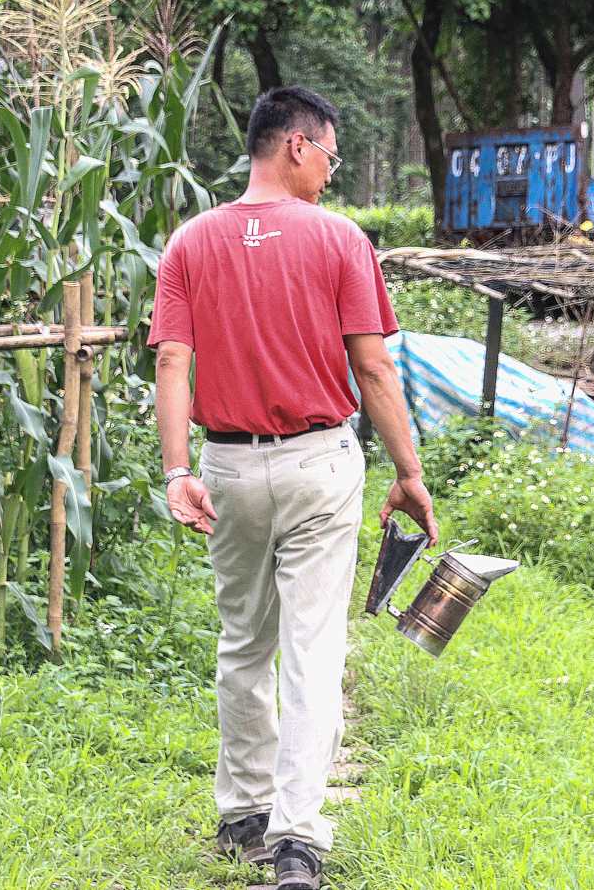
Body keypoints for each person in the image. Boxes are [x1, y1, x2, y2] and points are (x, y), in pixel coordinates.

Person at [149, 85, 438, 890]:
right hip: (317, 464)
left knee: (245, 641)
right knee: (313, 650)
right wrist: (409, 473)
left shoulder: (189, 243)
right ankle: (298, 842)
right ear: (296, 147)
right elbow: (372, 365)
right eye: (331, 158)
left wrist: (178, 471)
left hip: (228, 466)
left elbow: (173, 361)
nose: (331, 176)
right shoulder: (340, 241)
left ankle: (242, 811)